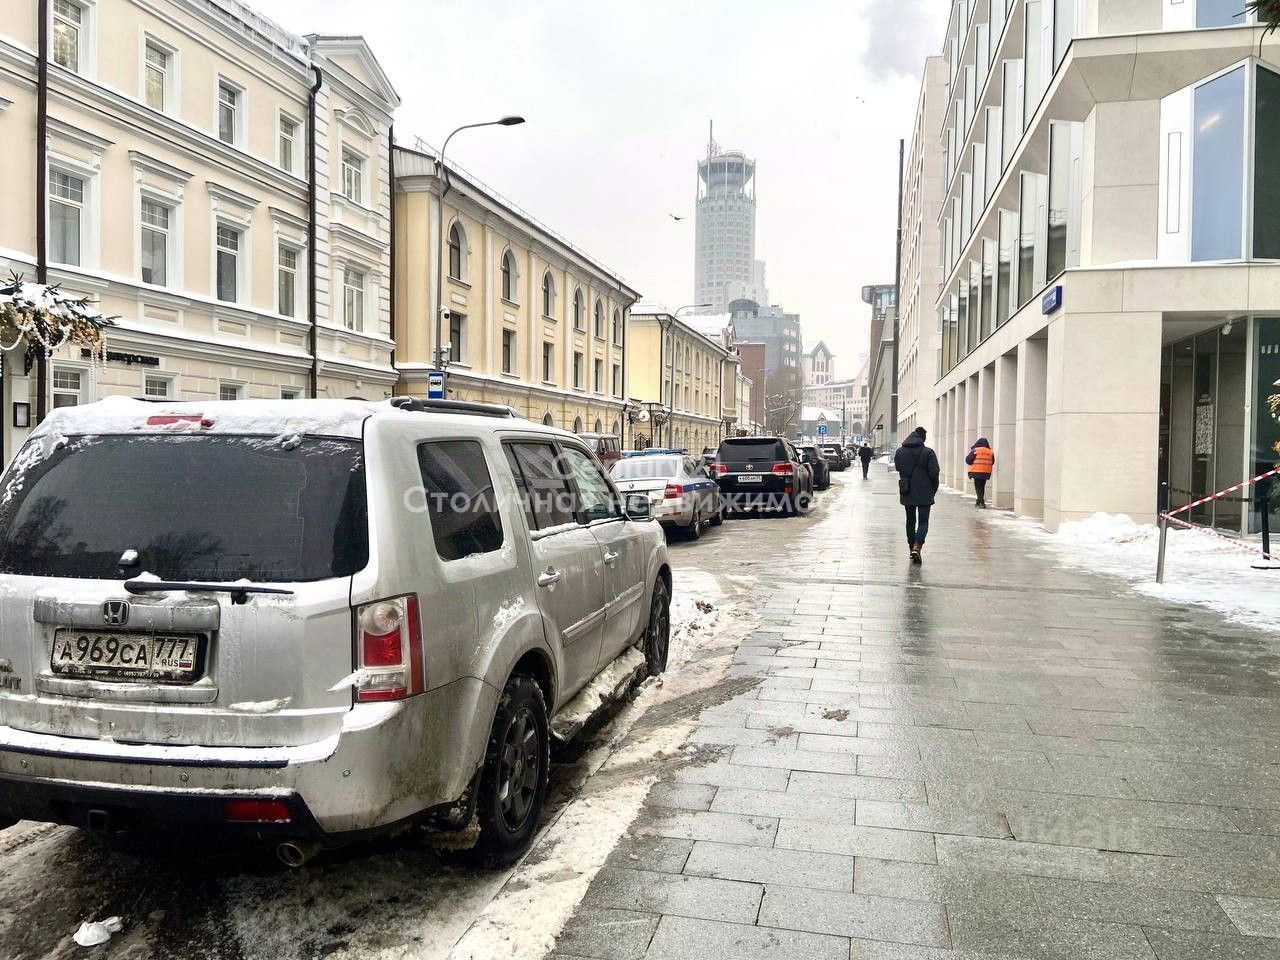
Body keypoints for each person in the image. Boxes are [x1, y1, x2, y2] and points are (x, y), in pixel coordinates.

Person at [893, 426, 940, 565]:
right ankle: (917, 547)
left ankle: (911, 547)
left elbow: (898, 467)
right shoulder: (928, 452)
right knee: (923, 522)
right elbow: (934, 472)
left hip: (907, 491)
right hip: (925, 492)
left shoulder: (900, 452)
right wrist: (934, 488)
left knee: (910, 521)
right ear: (922, 439)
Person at [965, 437, 995, 509]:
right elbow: (992, 462)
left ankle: (980, 502)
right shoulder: (990, 452)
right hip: (985, 472)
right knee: (982, 487)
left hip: (976, 472)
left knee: (978, 487)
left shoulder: (975, 450)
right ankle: (980, 502)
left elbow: (968, 460)